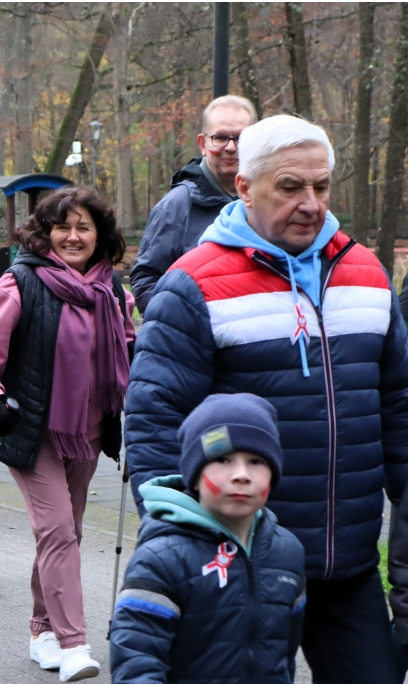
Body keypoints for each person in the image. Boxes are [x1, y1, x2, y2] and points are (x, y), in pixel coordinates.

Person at [124, 115, 408, 682]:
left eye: (321, 186)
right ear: (245, 188)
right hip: (237, 565)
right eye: (290, 187)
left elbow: (399, 406)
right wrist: (177, 539)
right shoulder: (193, 284)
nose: (310, 203)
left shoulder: (367, 274)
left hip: (346, 561)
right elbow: (154, 421)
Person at [0, 185, 132, 683]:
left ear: (99, 235)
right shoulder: (21, 283)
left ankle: (41, 630)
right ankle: (74, 644)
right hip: (30, 429)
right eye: (63, 226)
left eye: (84, 226)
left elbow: (127, 348)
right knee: (58, 532)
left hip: (89, 432)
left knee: (66, 533)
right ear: (46, 232)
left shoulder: (111, 290)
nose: (73, 236)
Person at [110, 394, 306, 683]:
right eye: (223, 459)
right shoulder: (162, 558)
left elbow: (283, 658)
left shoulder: (288, 553)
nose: (241, 474)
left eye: (256, 460)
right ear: (195, 473)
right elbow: (137, 664)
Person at [130, 95, 257, 314]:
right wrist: (188, 326)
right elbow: (146, 283)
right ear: (203, 144)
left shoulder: (267, 202)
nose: (231, 147)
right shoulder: (175, 207)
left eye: (241, 138)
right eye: (220, 137)